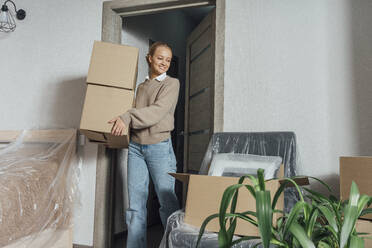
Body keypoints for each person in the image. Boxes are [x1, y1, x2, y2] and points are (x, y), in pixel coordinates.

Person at [108, 42, 180, 248]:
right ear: (149, 58)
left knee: (167, 204)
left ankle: (172, 245)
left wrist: (127, 116)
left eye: (167, 60)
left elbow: (156, 112)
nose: (164, 63)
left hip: (159, 147)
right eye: (160, 58)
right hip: (135, 148)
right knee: (135, 206)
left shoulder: (171, 84)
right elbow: (132, 117)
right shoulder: (141, 87)